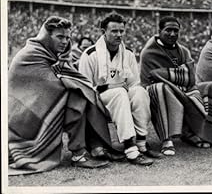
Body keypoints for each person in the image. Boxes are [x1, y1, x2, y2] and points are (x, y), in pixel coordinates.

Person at [8, 16, 125, 176]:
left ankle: (93, 146)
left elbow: (67, 75)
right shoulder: (31, 55)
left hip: (39, 106)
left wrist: (74, 79)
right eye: (60, 37)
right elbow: (51, 86)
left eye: (68, 37)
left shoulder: (55, 54)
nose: (65, 41)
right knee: (76, 98)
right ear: (46, 36)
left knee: (81, 94)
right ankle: (80, 153)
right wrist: (76, 83)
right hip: (24, 115)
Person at [140, 16, 212, 156]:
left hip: (186, 89)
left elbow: (190, 77)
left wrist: (165, 74)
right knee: (158, 88)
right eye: (168, 30)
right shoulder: (148, 53)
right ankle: (166, 140)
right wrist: (177, 76)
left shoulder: (184, 51)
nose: (173, 34)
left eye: (176, 31)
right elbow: (148, 80)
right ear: (159, 31)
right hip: (162, 92)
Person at [79, 12, 162, 166]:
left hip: (121, 99)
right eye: (114, 31)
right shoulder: (90, 54)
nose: (119, 35)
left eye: (121, 31)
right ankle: (130, 150)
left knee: (139, 92)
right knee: (119, 93)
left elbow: (133, 83)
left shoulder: (128, 54)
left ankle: (141, 144)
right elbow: (84, 88)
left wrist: (124, 89)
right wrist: (107, 86)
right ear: (104, 32)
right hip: (98, 103)